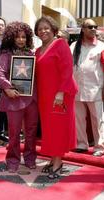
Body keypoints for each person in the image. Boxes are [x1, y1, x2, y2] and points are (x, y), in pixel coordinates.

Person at [34, 16, 78, 179]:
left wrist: (60, 92)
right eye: (39, 29)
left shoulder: (61, 44)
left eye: (46, 28)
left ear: (53, 29)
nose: (43, 31)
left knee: (57, 128)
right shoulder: (38, 51)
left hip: (61, 95)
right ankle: (53, 159)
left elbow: (67, 69)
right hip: (45, 96)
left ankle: (58, 163)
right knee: (49, 129)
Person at [0, 21, 38, 172]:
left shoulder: (32, 54)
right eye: (17, 37)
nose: (21, 40)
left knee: (31, 131)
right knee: (14, 133)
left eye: (24, 37)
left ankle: (30, 157)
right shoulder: (5, 54)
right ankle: (12, 160)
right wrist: (7, 88)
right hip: (13, 99)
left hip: (32, 99)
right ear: (11, 38)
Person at [70, 19, 104, 156]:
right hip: (77, 88)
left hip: (95, 88)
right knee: (78, 118)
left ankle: (99, 147)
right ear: (83, 29)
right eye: (90, 27)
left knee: (98, 119)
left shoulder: (101, 46)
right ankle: (81, 144)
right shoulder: (74, 46)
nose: (93, 29)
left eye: (95, 27)